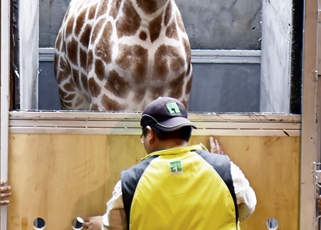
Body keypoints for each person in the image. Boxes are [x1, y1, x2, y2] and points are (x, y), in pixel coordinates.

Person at [84, 96, 257, 230]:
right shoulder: (226, 171)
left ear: (150, 134)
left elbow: (113, 226)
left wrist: (100, 222)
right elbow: (246, 208)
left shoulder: (130, 183)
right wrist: (221, 166)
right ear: (187, 132)